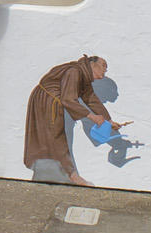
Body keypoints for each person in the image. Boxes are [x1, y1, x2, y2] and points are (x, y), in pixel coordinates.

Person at [25, 55, 121, 186]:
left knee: (52, 138)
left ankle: (61, 174)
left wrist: (109, 121)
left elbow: (91, 98)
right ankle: (72, 176)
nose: (105, 70)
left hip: (50, 101)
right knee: (56, 137)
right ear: (92, 64)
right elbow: (68, 100)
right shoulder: (74, 71)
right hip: (48, 101)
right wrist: (92, 117)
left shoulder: (83, 74)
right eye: (104, 65)